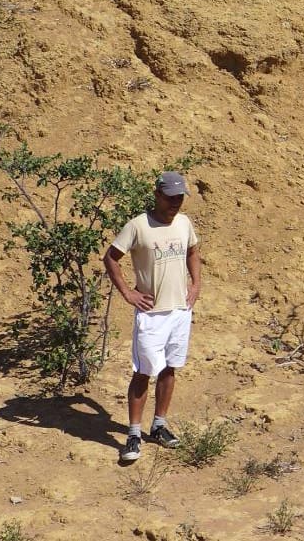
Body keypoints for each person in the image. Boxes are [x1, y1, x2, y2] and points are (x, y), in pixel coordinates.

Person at [103, 170, 202, 463]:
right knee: (143, 371)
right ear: (157, 195)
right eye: (170, 198)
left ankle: (159, 425)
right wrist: (128, 293)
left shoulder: (184, 223)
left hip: (180, 311)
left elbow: (193, 251)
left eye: (180, 198)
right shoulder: (137, 226)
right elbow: (111, 257)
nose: (176, 203)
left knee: (170, 368)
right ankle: (134, 433)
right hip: (151, 314)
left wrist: (196, 285)